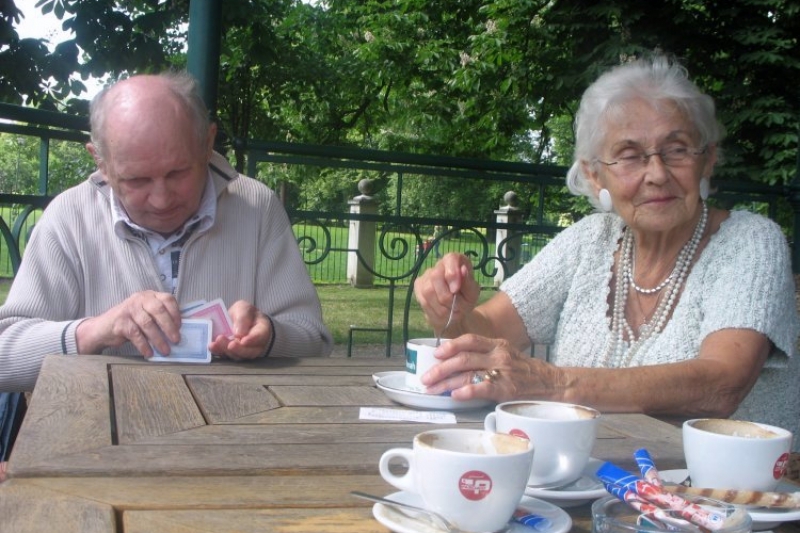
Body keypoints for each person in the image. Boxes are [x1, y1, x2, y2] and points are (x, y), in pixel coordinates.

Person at [414, 54, 800, 449]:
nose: (657, 173)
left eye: (677, 149)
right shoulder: (590, 240)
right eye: (631, 156)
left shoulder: (750, 241)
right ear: (595, 174)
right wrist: (453, 311)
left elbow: (722, 382)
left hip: (734, 493)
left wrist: (553, 383)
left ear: (708, 160)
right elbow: (489, 331)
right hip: (596, 479)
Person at [0, 71, 333, 395]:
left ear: (207, 143)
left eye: (177, 173)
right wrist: (96, 330)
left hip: (233, 434)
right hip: (101, 439)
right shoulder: (69, 217)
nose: (160, 200)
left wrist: (271, 336)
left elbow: (314, 343)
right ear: (100, 161)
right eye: (137, 180)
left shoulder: (256, 207)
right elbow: (5, 358)